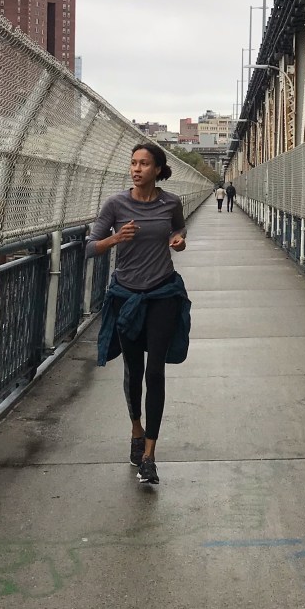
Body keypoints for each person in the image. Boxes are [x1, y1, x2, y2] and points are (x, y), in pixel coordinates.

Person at [86, 142, 191, 486]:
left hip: (162, 294)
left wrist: (178, 240)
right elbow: (90, 247)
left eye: (144, 164)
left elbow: (179, 229)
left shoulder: (170, 202)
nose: (136, 169)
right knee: (134, 370)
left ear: (158, 169)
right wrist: (115, 240)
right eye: (133, 163)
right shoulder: (116, 204)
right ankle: (136, 427)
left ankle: (149, 455)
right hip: (126, 297)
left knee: (155, 371)